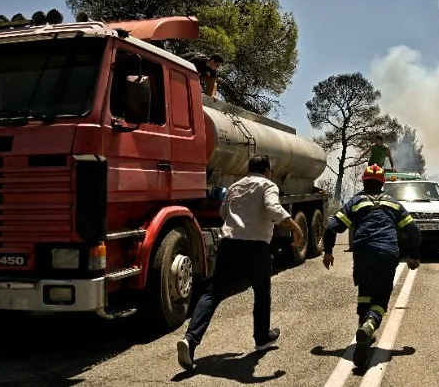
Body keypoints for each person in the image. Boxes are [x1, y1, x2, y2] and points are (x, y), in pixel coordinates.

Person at [176, 154, 304, 371]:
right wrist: (296, 228)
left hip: (230, 244)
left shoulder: (235, 186)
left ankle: (190, 340)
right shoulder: (267, 185)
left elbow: (223, 212)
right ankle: (262, 338)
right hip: (256, 247)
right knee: (261, 291)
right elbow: (273, 209)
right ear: (266, 170)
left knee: (213, 293)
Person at [322, 163, 422, 367]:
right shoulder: (394, 204)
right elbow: (414, 231)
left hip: (363, 254)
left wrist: (329, 252)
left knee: (365, 292)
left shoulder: (356, 202)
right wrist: (414, 256)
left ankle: (363, 332)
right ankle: (369, 324)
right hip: (387, 254)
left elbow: (331, 227)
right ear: (383, 183)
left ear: (364, 182)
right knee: (380, 300)